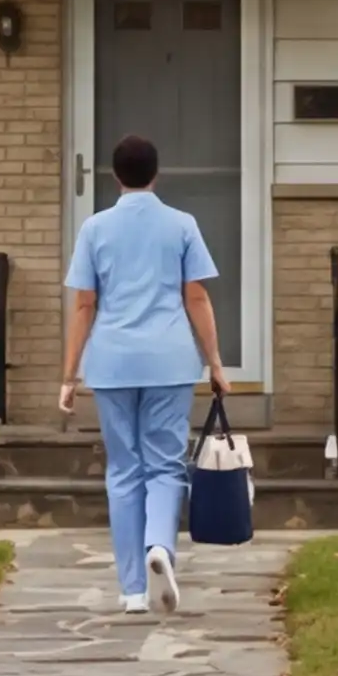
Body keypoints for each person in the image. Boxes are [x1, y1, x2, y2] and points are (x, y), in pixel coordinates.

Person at [57, 132, 227, 614]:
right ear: (155, 174)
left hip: (112, 363)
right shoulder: (181, 225)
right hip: (170, 361)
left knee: (124, 469)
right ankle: (160, 546)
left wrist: (69, 377)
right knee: (166, 465)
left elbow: (84, 305)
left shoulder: (95, 228)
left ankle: (132, 589)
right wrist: (215, 363)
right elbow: (196, 297)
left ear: (115, 176)